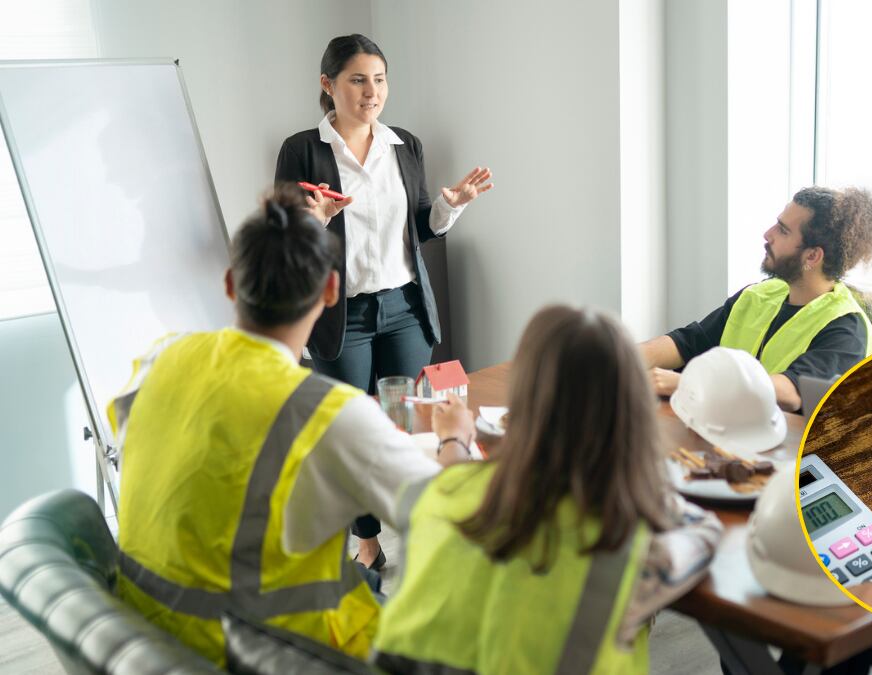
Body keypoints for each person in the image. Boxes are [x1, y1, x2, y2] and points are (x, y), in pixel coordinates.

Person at [106, 186, 477, 665]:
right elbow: (451, 513)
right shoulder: (328, 413)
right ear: (330, 290)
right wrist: (455, 437)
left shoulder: (162, 358)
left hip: (150, 640)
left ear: (230, 284)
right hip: (269, 653)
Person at [371, 305, 723, 674]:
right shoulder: (630, 543)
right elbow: (705, 534)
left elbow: (450, 481)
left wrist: (455, 439)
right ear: (631, 413)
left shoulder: (437, 493)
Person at [274, 33, 493, 570]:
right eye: (357, 79)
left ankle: (427, 535)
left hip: (403, 309)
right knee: (351, 435)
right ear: (328, 85)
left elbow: (421, 228)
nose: (371, 92)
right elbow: (283, 236)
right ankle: (366, 539)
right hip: (340, 317)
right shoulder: (302, 150)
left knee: (414, 427)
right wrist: (314, 222)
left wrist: (451, 205)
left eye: (379, 79)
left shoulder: (405, 145)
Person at [641, 186, 872, 412]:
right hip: (728, 432)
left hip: (788, 452)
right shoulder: (760, 295)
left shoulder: (846, 328)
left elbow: (791, 391)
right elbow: (689, 342)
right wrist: (624, 357)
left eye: (783, 230)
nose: (768, 234)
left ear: (812, 256)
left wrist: (691, 384)